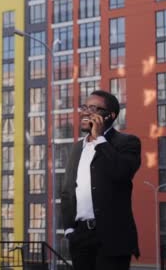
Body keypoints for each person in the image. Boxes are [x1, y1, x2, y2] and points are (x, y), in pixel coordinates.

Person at [60, 90, 141, 270]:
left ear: (110, 116)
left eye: (94, 108)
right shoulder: (76, 148)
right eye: (84, 107)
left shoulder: (128, 143)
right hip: (80, 238)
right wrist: (69, 229)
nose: (86, 112)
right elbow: (67, 192)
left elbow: (121, 172)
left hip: (113, 237)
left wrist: (100, 140)